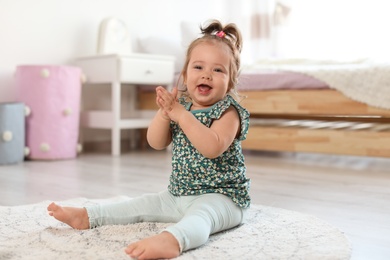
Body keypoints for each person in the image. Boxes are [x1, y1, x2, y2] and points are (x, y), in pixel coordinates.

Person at [47, 19, 250, 260]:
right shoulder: (180, 107)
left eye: (218, 70)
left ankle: (174, 239)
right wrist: (165, 115)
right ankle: (89, 216)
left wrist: (181, 115)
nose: (207, 74)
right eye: (198, 67)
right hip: (177, 194)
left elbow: (212, 147)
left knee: (201, 218)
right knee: (141, 205)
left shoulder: (229, 111)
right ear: (185, 74)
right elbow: (156, 142)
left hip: (222, 198)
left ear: (230, 82)